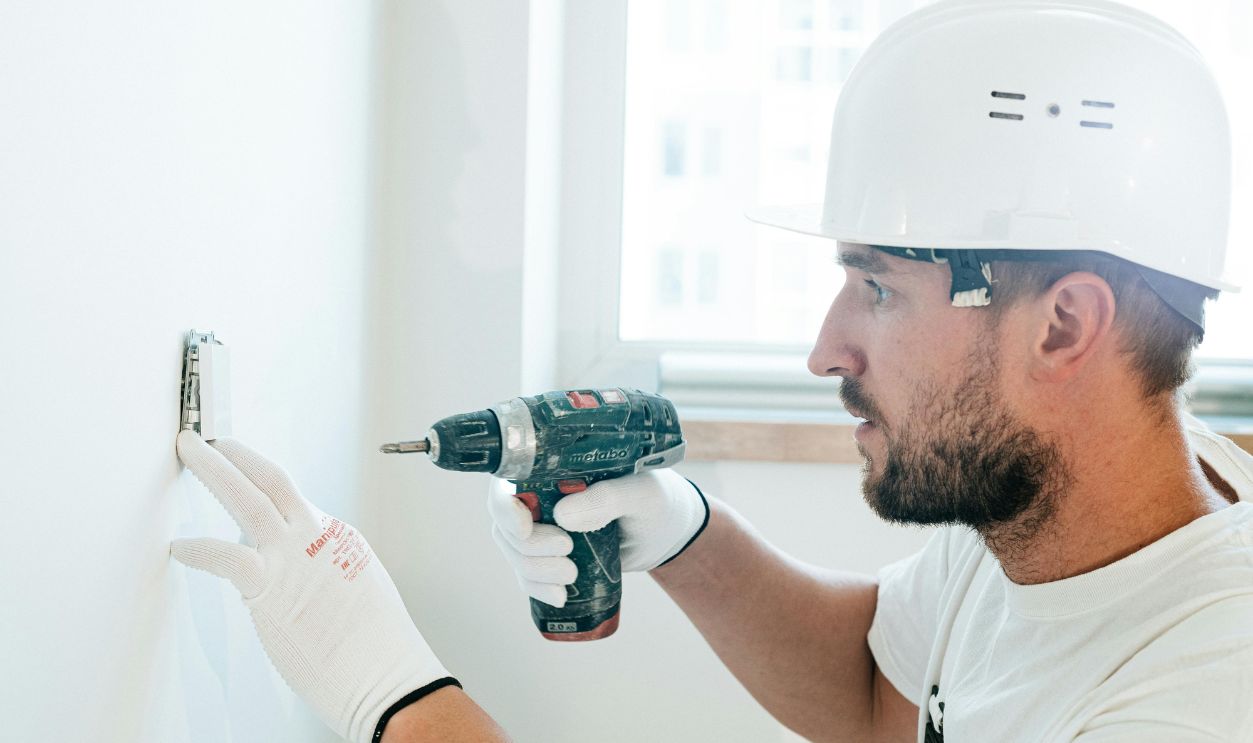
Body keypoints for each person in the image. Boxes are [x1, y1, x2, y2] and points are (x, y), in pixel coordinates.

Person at [172, 1, 1253, 741]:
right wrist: (688, 534)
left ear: (1063, 325)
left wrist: (393, 693)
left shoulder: (1203, 691)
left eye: (877, 287)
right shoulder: (1055, 506)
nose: (826, 346)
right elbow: (880, 697)